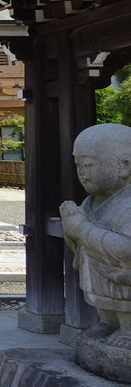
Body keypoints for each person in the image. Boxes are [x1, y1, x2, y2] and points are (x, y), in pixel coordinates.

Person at [60, 123, 131, 339]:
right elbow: (77, 242)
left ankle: (128, 330)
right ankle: (108, 322)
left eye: (88, 164)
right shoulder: (90, 202)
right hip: (98, 272)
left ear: (124, 166)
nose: (81, 172)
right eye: (78, 164)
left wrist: (81, 228)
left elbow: (127, 252)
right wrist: (71, 226)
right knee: (102, 297)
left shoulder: (127, 205)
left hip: (122, 277)